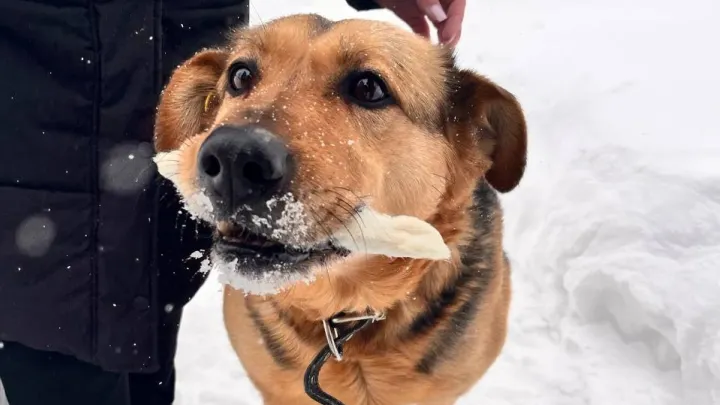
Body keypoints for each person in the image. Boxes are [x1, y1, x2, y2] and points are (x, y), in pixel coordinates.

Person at [0, 0, 465, 404]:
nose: (239, 150)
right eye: (244, 78)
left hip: (157, 88)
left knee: (145, 343)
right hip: (37, 138)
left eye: (366, 89)